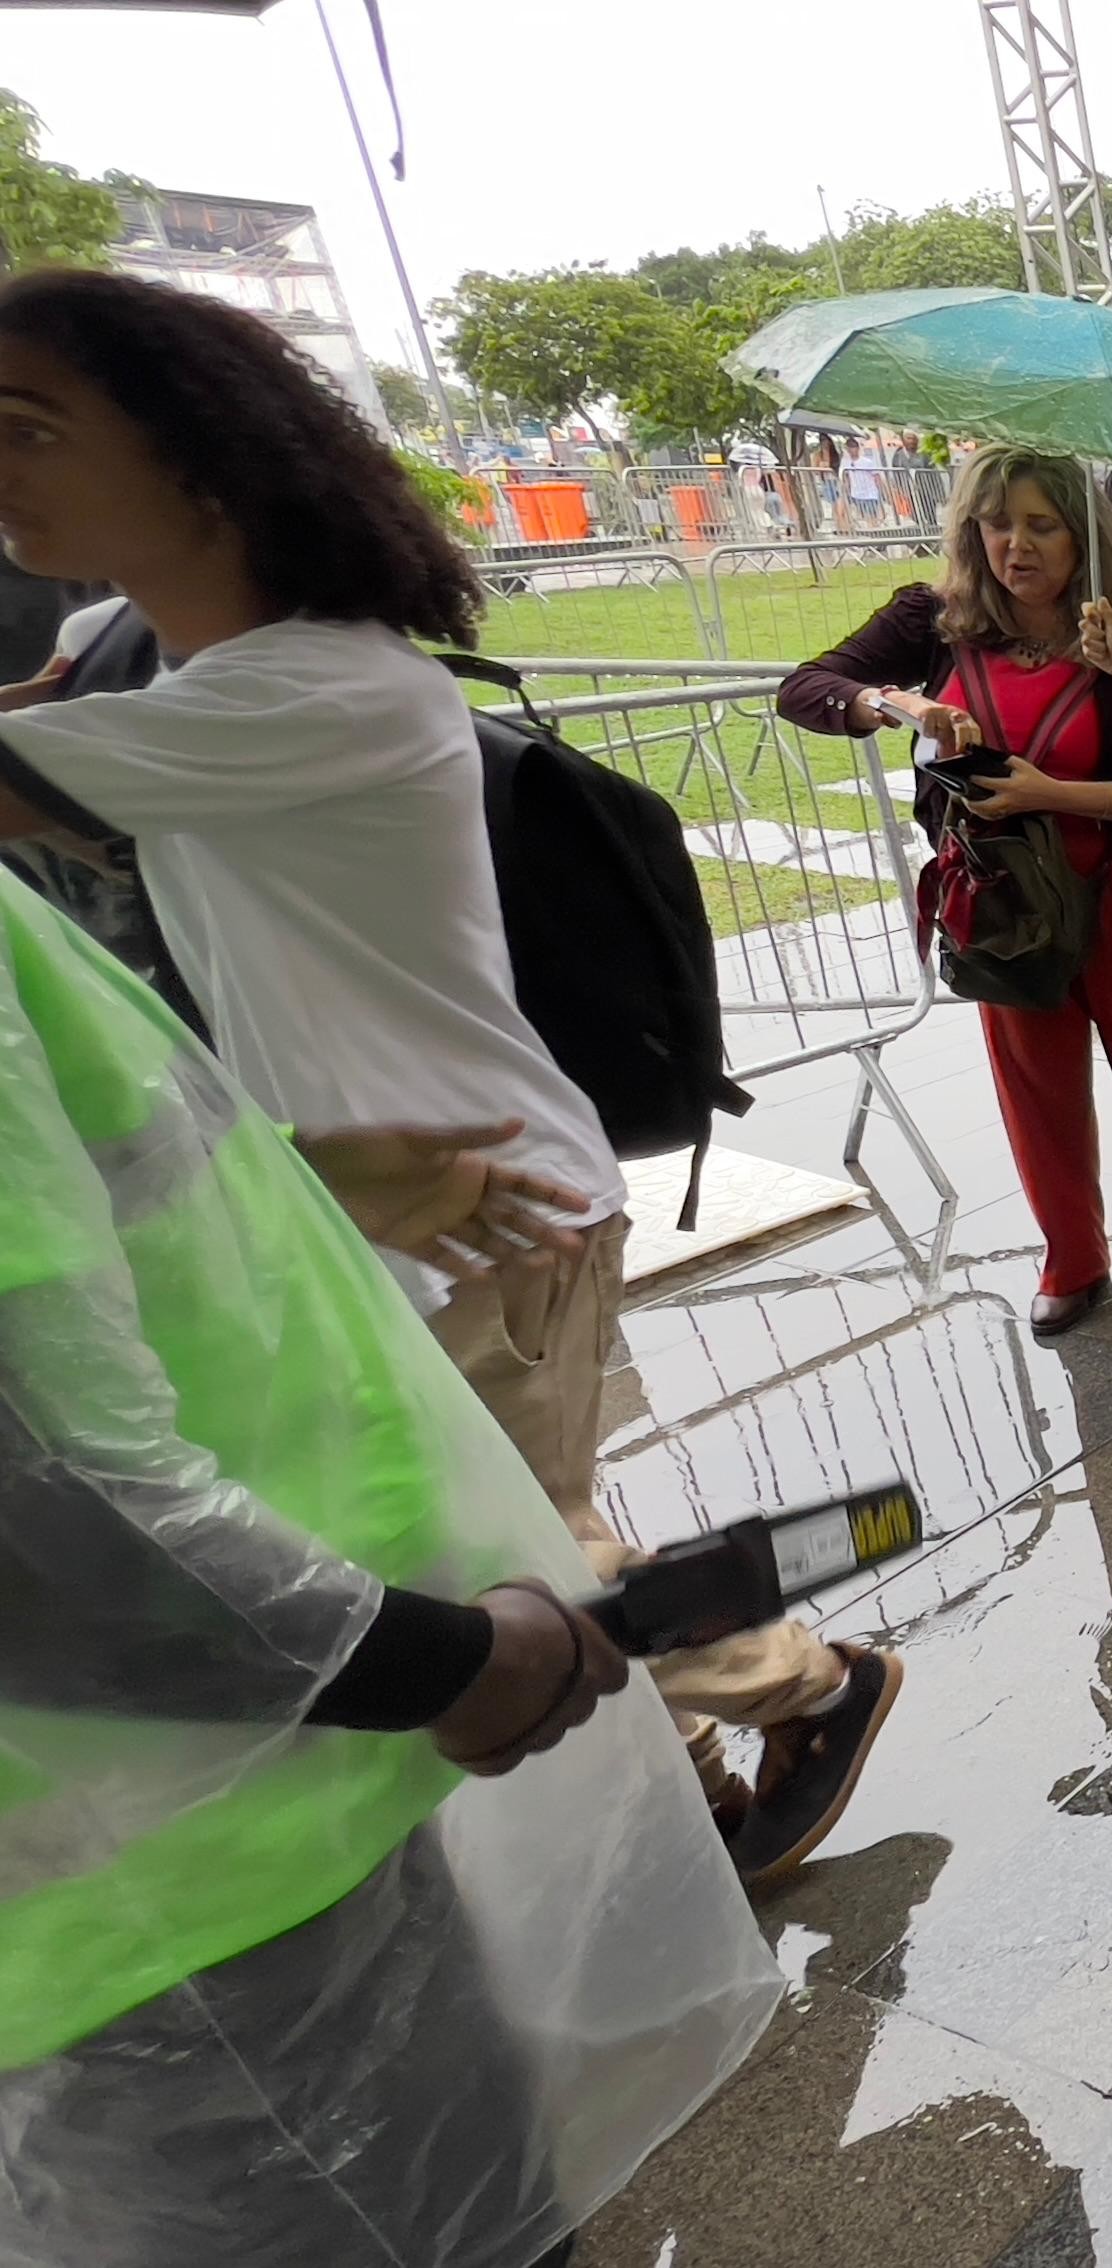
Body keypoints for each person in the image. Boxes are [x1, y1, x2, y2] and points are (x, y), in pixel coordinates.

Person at [0, 267, 895, 1882]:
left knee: (510, 1551)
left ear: (202, 464)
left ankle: (811, 1684)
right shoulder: (163, 677)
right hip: (367, 1199)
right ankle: (707, 1768)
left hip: (486, 1199)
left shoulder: (318, 690)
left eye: (30, 428)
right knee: (508, 1525)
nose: (1, 466)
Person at [0, 865, 782, 2268]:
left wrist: (279, 1176)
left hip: (243, 1827)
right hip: (176, 1925)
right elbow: (49, 1532)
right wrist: (455, 1664)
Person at [783, 446, 1112, 1340]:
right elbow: (806, 689)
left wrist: (1048, 793)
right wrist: (906, 707)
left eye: (1040, 525)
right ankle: (1073, 1259)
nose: (1014, 546)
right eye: (996, 524)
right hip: (995, 901)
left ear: (1083, 535)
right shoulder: (933, 619)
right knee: (1034, 1086)